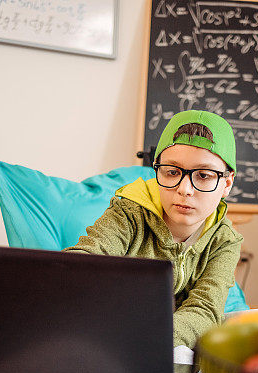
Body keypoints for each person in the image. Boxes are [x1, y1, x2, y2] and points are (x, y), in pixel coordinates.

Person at [66, 110, 243, 349]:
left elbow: (204, 310)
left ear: (226, 183)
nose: (185, 189)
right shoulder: (128, 214)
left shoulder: (225, 241)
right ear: (157, 170)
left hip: (164, 347)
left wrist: (149, 340)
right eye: (172, 172)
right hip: (110, 335)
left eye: (203, 175)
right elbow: (87, 258)